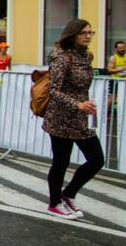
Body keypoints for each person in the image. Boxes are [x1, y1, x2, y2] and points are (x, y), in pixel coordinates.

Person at [42, 19, 105, 219]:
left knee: (96, 160)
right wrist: (77, 104)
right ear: (73, 34)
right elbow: (53, 90)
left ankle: (68, 193)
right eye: (84, 33)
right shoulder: (61, 57)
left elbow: (82, 86)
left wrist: (85, 104)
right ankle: (54, 203)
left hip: (80, 118)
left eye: (91, 32)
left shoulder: (86, 56)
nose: (88, 36)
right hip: (60, 117)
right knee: (61, 162)